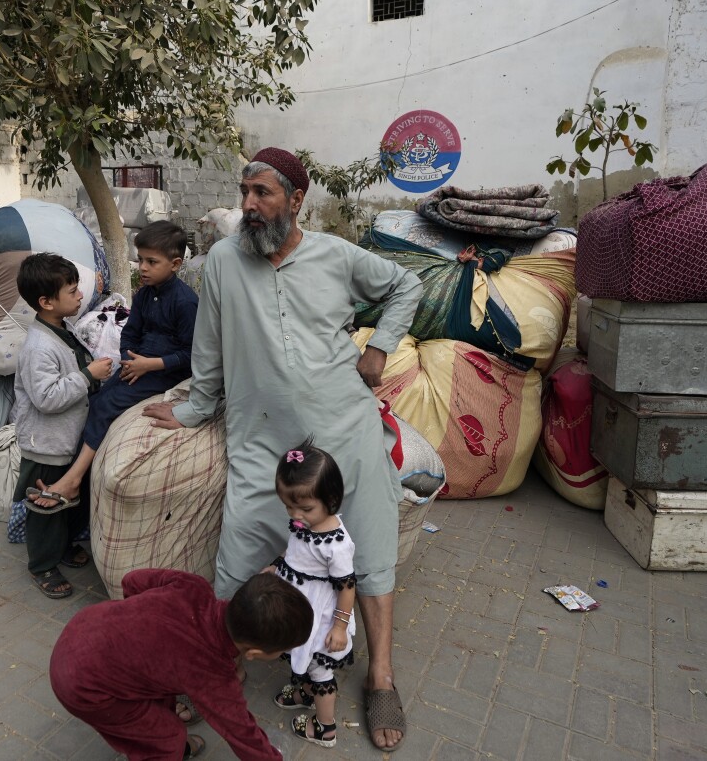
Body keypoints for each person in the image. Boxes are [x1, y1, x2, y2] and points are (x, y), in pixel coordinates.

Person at [143, 148, 420, 751]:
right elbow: (209, 349)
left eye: (263, 193)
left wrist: (381, 348)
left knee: (369, 554)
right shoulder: (222, 261)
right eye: (245, 191)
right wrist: (191, 408)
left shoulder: (336, 255)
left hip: (345, 434)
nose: (249, 204)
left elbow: (407, 284)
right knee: (238, 554)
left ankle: (379, 677)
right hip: (261, 442)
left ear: (296, 201)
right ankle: (216, 665)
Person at [51, 569, 311, 761]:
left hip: (84, 627)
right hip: (81, 684)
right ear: (253, 653)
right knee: (167, 740)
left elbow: (132, 581)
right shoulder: (212, 673)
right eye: (282, 652)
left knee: (160, 692)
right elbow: (241, 733)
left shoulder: (194, 586)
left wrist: (139, 625)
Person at [37, 221, 198, 504]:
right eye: (140, 260)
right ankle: (77, 481)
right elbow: (131, 333)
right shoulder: (146, 294)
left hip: (164, 372)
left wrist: (150, 365)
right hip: (136, 367)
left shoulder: (185, 302)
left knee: (105, 406)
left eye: (151, 261)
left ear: (174, 264)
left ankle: (73, 480)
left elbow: (191, 353)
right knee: (97, 399)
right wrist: (128, 360)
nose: (143, 268)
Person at [12, 253, 114, 598]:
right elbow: (46, 398)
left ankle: (65, 545)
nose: (80, 296)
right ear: (46, 302)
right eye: (72, 291)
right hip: (46, 444)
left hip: (67, 439)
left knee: (70, 500)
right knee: (47, 506)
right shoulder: (39, 346)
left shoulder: (62, 329)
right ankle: (42, 563)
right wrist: (87, 376)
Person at [267, 439, 357, 749]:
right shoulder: (304, 524)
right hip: (298, 609)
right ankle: (305, 693)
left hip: (320, 618)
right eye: (288, 506)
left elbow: (347, 586)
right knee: (300, 654)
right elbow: (295, 551)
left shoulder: (337, 544)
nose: (295, 514)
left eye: (304, 508)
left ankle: (326, 727)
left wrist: (340, 627)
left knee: (320, 669)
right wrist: (277, 566)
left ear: (331, 499)